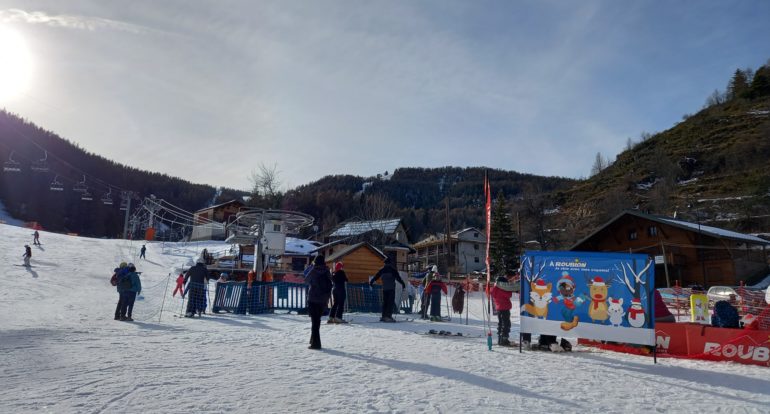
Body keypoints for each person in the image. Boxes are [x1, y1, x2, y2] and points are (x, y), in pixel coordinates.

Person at [305, 254, 333, 349]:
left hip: (313, 299)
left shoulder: (313, 271)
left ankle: (316, 344)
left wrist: (312, 267)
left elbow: (306, 280)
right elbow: (330, 283)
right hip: (323, 300)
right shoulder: (327, 271)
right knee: (318, 321)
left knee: (314, 322)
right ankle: (313, 340)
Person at [370, 257, 406, 322]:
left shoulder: (382, 270)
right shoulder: (393, 270)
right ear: (390, 263)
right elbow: (398, 278)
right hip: (391, 289)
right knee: (390, 303)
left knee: (385, 302)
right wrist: (403, 284)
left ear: (384, 263)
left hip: (384, 289)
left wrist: (371, 282)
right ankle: (388, 316)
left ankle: (383, 316)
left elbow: (376, 276)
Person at [491, 276, 514, 345]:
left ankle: (500, 339)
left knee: (501, 323)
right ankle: (504, 339)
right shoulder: (501, 289)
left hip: (499, 308)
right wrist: (508, 289)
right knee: (506, 324)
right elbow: (509, 295)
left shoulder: (495, 289)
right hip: (505, 308)